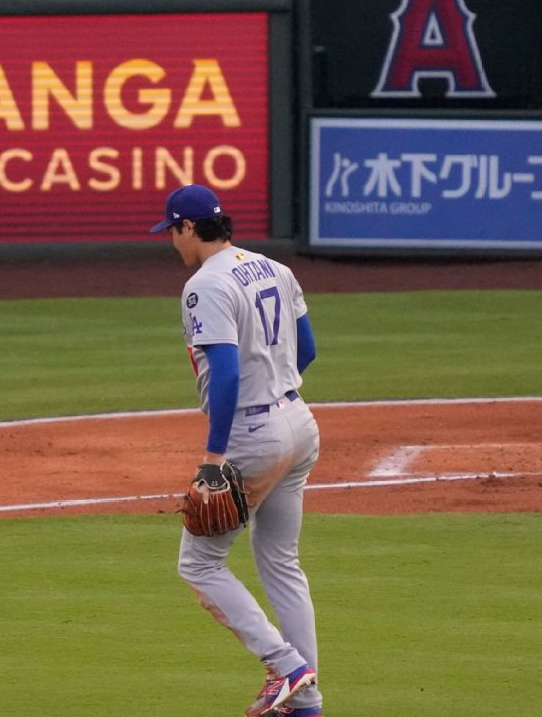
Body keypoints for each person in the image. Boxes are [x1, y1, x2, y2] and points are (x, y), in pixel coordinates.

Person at [151, 184, 325, 717]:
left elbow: (224, 373)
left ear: (187, 227)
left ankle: (286, 666)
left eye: (171, 233)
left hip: (253, 434)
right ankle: (307, 702)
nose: (171, 244)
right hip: (300, 420)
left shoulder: (204, 285)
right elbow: (309, 349)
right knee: (281, 561)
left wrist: (214, 456)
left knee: (199, 563)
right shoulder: (274, 267)